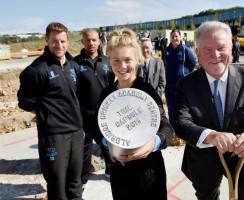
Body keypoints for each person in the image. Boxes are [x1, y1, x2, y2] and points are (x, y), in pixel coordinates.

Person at [174, 21, 244, 200]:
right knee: (207, 195)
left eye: (221, 48)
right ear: (198, 54)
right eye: (207, 50)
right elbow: (181, 122)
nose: (215, 55)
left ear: (231, 49)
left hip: (241, 151)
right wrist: (212, 136)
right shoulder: (185, 85)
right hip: (203, 154)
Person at [99, 28, 173, 200]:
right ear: (109, 61)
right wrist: (109, 144)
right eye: (116, 60)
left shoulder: (147, 91)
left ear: (137, 60)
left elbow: (166, 128)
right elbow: (100, 127)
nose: (122, 66)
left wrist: (153, 144)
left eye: (127, 60)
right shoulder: (106, 94)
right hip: (119, 173)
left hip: (148, 173)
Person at [17, 22, 84, 200]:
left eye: (63, 41)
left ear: (68, 41)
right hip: (54, 135)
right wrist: (46, 115)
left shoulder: (73, 66)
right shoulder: (36, 70)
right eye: (54, 41)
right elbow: (25, 102)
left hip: (76, 131)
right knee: (57, 184)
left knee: (75, 181)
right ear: (46, 40)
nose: (59, 45)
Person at [74, 29, 115, 185]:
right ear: (82, 42)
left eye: (94, 40)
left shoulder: (107, 61)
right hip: (84, 115)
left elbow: (112, 85)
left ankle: (111, 170)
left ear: (99, 41)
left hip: (105, 113)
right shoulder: (75, 63)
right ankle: (83, 177)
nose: (91, 43)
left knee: (107, 145)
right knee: (84, 148)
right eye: (87, 40)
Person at [163, 29, 196, 126]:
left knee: (182, 109)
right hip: (169, 85)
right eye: (172, 36)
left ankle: (182, 130)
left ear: (180, 37)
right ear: (170, 38)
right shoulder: (166, 50)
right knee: (171, 109)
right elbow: (165, 64)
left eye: (176, 36)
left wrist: (184, 73)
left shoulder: (185, 50)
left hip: (182, 85)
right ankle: (173, 130)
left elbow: (192, 63)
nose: (174, 38)